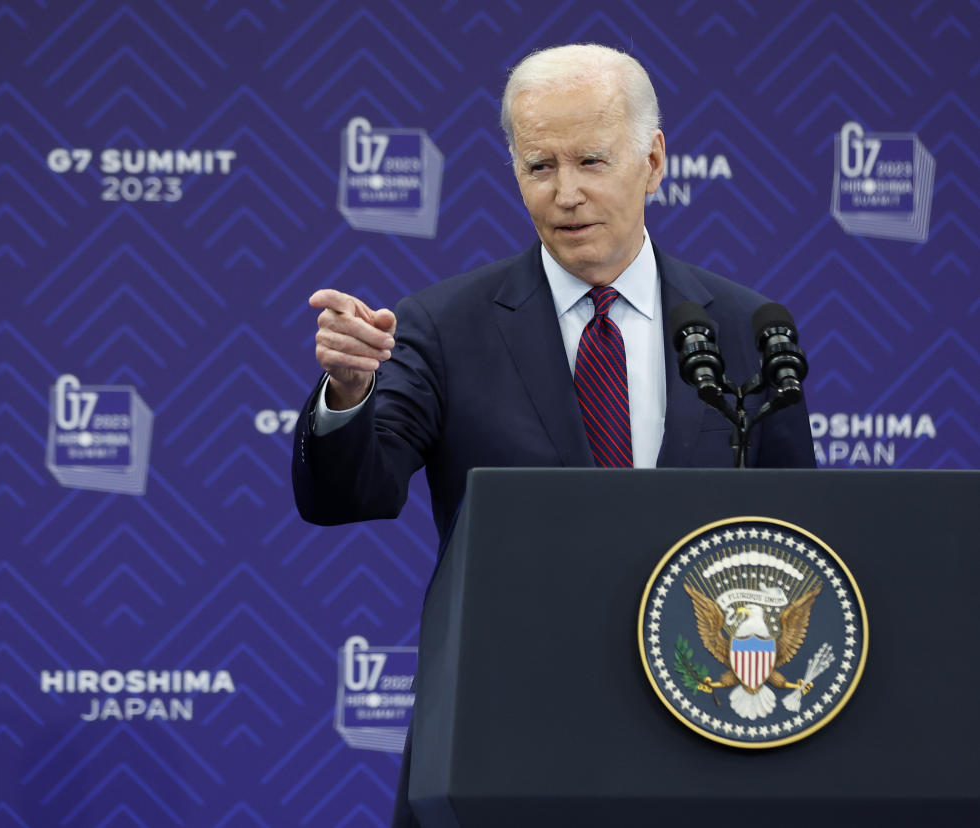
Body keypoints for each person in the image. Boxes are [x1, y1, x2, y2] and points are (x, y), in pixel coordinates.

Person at [292, 44, 816, 826]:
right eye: (540, 167)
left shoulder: (745, 329)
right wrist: (349, 391)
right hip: (507, 743)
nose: (566, 193)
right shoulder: (443, 327)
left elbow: (801, 536)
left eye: (591, 161)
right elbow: (347, 495)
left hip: (707, 741)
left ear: (654, 160)